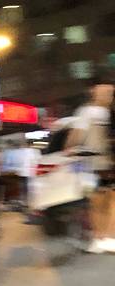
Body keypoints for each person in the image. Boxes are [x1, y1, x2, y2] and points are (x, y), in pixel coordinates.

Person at [67, 74, 115, 254]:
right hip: (96, 164)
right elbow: (75, 137)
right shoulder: (89, 112)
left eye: (110, 92)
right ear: (94, 91)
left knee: (105, 201)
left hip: (104, 163)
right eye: (105, 91)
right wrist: (70, 149)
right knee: (100, 201)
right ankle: (101, 238)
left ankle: (103, 238)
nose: (109, 95)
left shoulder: (105, 112)